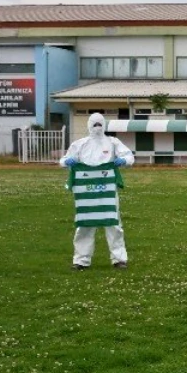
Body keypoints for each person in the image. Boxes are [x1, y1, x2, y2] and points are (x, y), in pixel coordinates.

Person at [60, 112, 135, 270]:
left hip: (107, 190)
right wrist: (68, 161)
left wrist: (123, 161)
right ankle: (81, 260)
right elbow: (63, 160)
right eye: (94, 124)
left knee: (113, 224)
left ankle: (119, 259)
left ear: (105, 125)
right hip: (85, 191)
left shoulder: (113, 142)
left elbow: (129, 156)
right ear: (89, 125)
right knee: (84, 225)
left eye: (100, 124)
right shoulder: (79, 144)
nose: (97, 127)